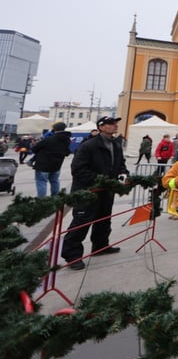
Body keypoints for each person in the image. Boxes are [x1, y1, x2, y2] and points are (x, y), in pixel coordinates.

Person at [61, 116, 129, 271]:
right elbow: (78, 170)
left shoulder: (116, 145)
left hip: (106, 191)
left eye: (116, 123)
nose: (115, 125)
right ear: (101, 127)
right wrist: (101, 180)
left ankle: (100, 246)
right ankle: (72, 256)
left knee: (104, 219)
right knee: (81, 223)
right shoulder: (88, 146)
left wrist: (123, 174)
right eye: (111, 124)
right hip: (88, 191)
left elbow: (120, 164)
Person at [31, 121, 71, 197]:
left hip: (43, 165)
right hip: (57, 165)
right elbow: (67, 152)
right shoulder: (67, 139)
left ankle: (42, 201)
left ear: (54, 129)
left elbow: (34, 149)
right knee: (55, 181)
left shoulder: (49, 139)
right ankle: (55, 198)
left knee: (41, 182)